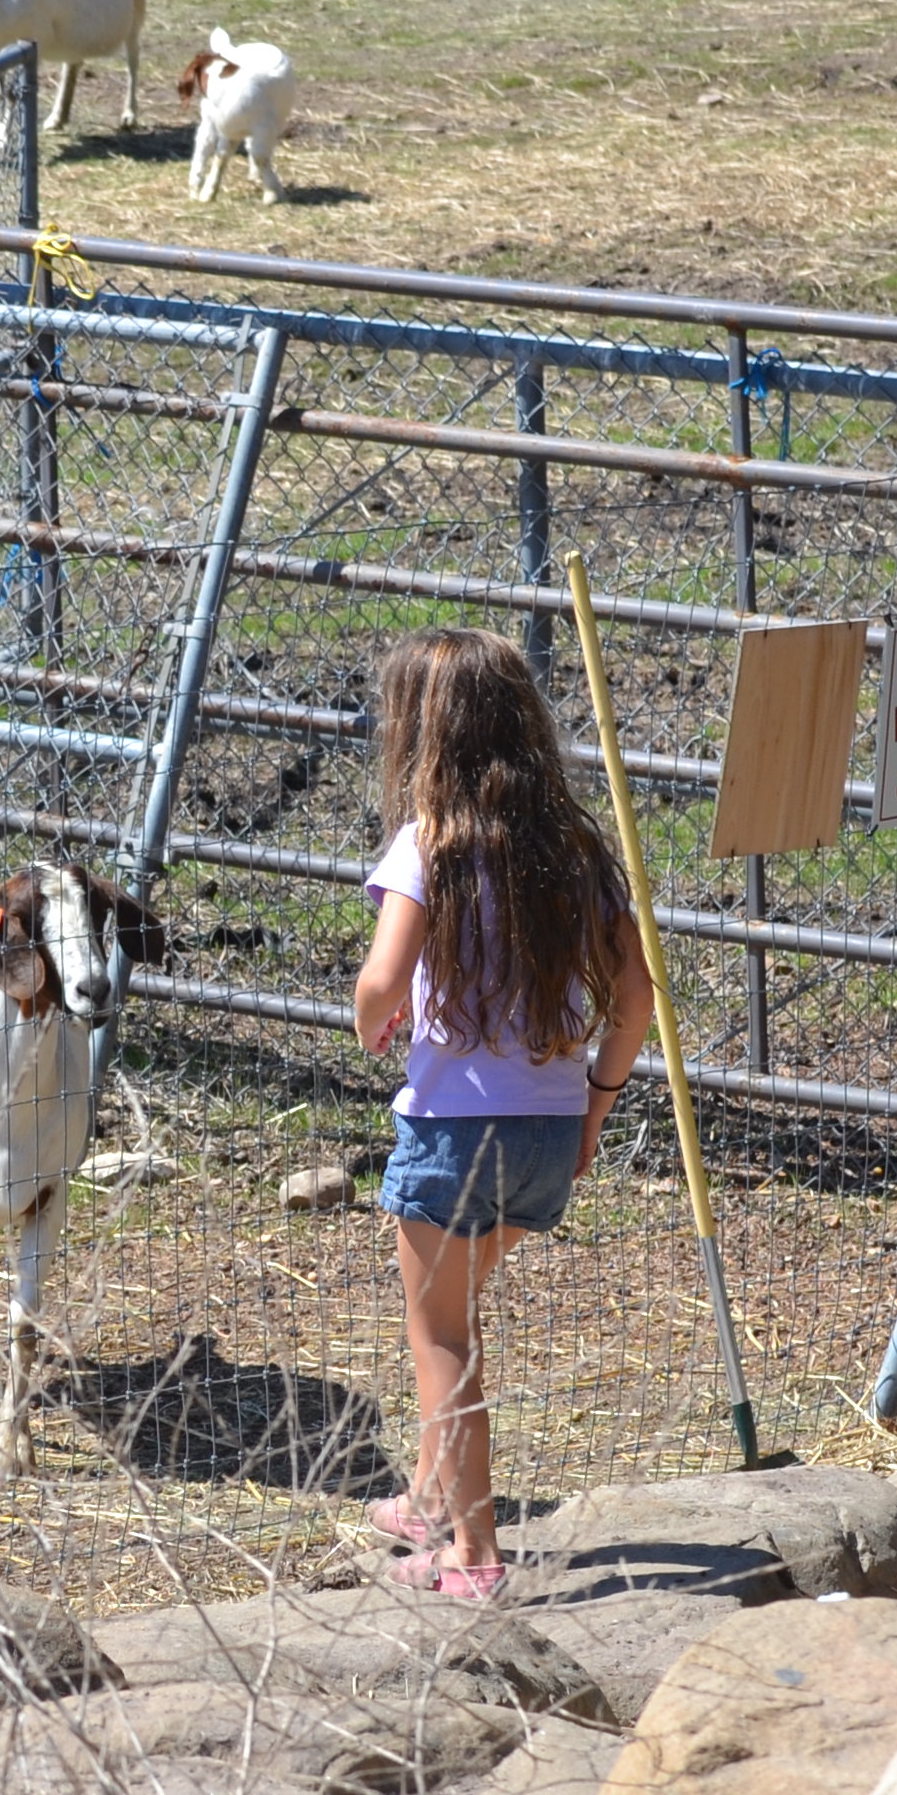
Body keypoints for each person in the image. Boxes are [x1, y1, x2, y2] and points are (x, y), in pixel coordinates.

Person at [350, 630, 655, 1602]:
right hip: (547, 1137)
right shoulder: (575, 849)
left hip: (451, 1137)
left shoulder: (427, 845)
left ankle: (473, 1556)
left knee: (441, 1337)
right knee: (458, 1312)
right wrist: (596, 1107)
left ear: (425, 733)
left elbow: (381, 984)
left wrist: (371, 1018)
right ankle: (427, 1497)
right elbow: (638, 996)